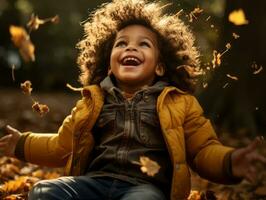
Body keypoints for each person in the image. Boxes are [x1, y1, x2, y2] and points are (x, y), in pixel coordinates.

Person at [0, 0, 265, 199]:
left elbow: (203, 150)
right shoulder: (93, 101)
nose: (130, 47)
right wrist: (21, 144)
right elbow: (60, 145)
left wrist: (230, 162)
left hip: (144, 189)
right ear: (108, 65)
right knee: (45, 191)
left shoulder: (179, 103)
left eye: (143, 44)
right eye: (121, 43)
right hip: (94, 182)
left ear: (160, 66)